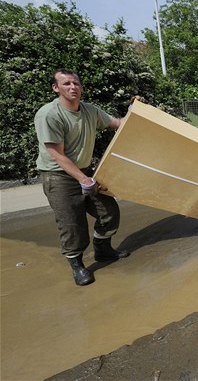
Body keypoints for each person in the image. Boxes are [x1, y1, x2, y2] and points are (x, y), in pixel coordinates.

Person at [34, 69, 130, 286]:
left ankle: (103, 250)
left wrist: (135, 113)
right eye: (66, 83)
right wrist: (83, 180)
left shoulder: (90, 111)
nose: (73, 87)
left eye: (76, 83)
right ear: (56, 88)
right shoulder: (49, 114)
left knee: (109, 212)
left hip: (84, 172)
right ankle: (77, 265)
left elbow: (117, 123)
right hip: (58, 177)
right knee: (72, 224)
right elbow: (57, 155)